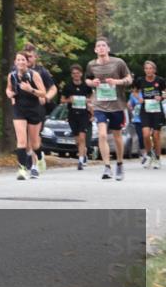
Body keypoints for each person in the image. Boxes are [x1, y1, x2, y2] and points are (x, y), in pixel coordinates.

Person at [84, 37, 133, 181]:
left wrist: (117, 81)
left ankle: (119, 163)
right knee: (102, 135)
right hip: (100, 105)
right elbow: (87, 79)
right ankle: (106, 166)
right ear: (95, 50)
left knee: (117, 136)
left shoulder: (118, 63)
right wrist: (92, 82)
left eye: (103, 45)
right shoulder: (91, 65)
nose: (101, 48)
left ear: (108, 49)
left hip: (117, 105)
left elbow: (129, 79)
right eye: (98, 46)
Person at [6, 51, 46, 180]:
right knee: (22, 141)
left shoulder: (34, 75)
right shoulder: (11, 76)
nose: (21, 62)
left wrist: (31, 90)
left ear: (27, 62)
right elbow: (8, 89)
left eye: (23, 60)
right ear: (15, 62)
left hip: (34, 110)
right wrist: (9, 94)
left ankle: (40, 157)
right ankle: (22, 169)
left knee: (34, 143)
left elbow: (43, 93)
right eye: (18, 60)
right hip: (19, 109)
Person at [23, 44, 57, 173]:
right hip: (22, 107)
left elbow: (53, 88)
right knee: (24, 138)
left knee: (34, 137)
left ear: (36, 57)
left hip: (38, 108)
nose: (28, 59)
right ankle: (33, 156)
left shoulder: (42, 71)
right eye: (26, 56)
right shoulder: (18, 70)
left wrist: (46, 97)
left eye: (30, 56)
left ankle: (34, 165)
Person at [60, 64, 93, 170]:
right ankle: (84, 152)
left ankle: (80, 160)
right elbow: (62, 100)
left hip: (84, 114)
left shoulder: (86, 86)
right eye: (74, 73)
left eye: (78, 73)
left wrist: (89, 101)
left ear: (81, 74)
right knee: (77, 140)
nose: (76, 75)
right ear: (71, 75)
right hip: (72, 115)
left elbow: (92, 96)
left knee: (82, 137)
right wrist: (69, 100)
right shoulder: (68, 86)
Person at [135, 60, 164, 169]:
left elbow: (165, 92)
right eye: (146, 68)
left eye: (150, 68)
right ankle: (148, 155)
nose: (148, 70)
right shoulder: (140, 80)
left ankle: (157, 158)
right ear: (144, 70)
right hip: (145, 109)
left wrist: (161, 97)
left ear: (154, 70)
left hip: (157, 110)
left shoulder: (160, 80)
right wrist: (139, 98)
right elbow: (135, 91)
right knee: (146, 134)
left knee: (156, 135)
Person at [128, 86, 145, 157]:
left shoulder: (144, 93)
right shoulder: (132, 95)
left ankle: (150, 151)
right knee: (140, 137)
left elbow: (144, 101)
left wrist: (138, 97)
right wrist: (130, 106)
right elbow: (131, 105)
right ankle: (144, 153)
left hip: (146, 117)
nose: (133, 88)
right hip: (137, 119)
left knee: (147, 136)